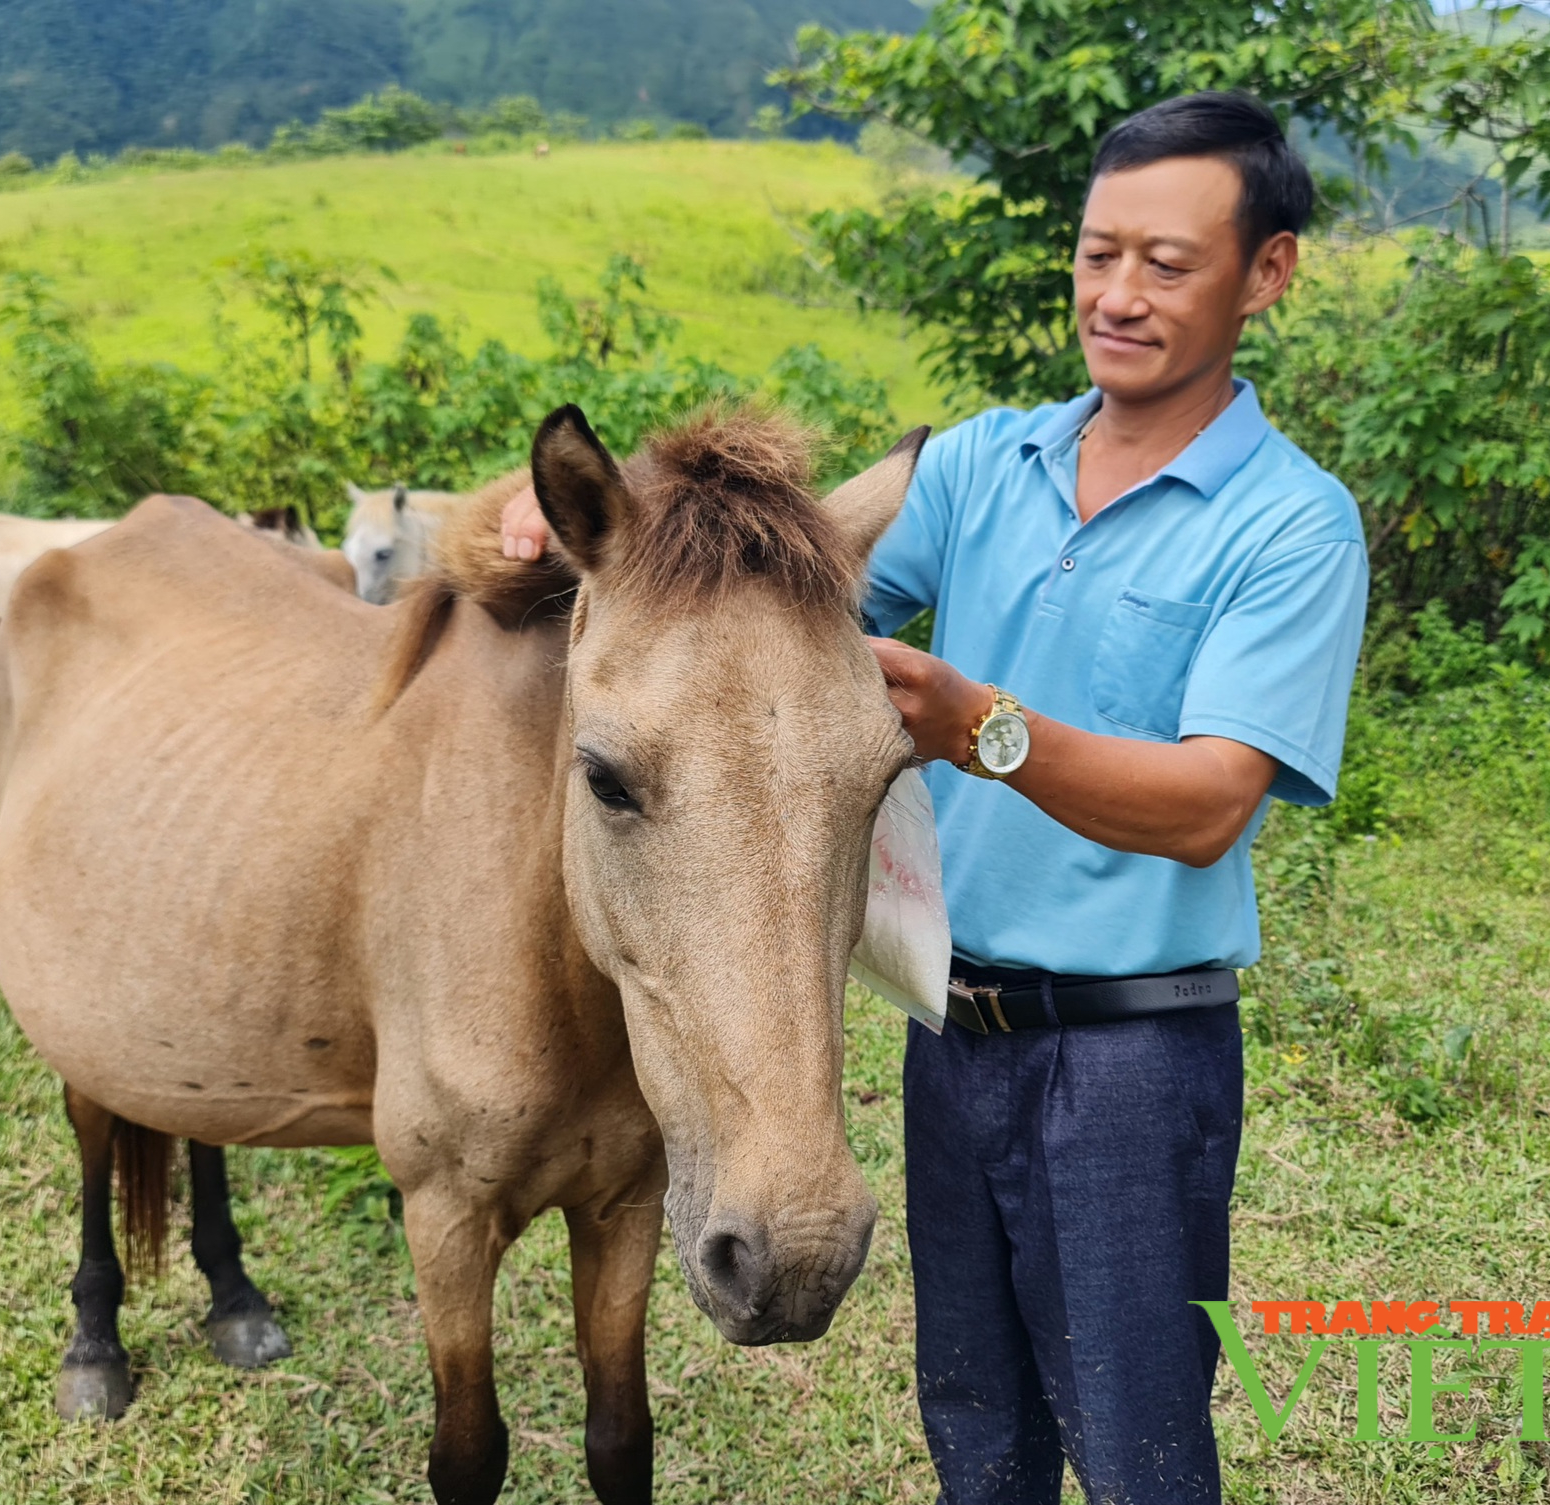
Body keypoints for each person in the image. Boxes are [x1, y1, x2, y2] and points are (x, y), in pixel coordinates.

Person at [497, 92, 1367, 1505]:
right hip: (951, 1038)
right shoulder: (977, 468)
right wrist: (581, 530)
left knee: (1140, 1444)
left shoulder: (1291, 522)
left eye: (1170, 262)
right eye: (1098, 255)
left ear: (1267, 272)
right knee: (976, 1430)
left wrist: (982, 728)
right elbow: (758, 614)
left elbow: (1212, 803)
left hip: (1133, 1065)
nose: (1120, 296)